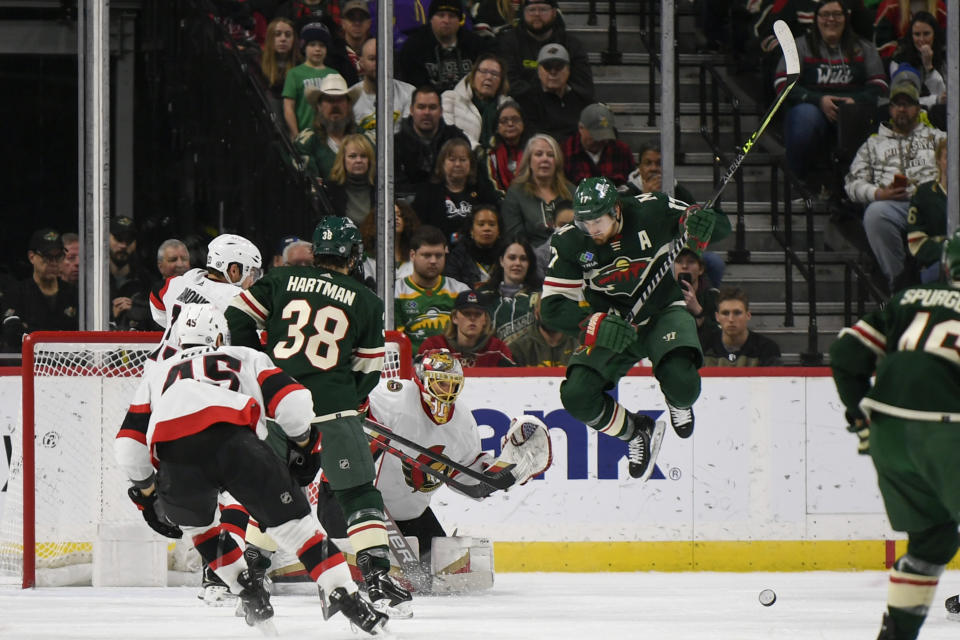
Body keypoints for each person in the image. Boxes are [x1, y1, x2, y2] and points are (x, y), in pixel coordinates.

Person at [114, 304, 388, 635]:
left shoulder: (156, 374)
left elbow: (128, 447)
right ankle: (349, 599)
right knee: (298, 529)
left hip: (176, 458)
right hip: (237, 445)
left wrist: (146, 496)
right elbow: (294, 402)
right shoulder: (243, 355)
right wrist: (304, 443)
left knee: (202, 530)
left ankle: (247, 591)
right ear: (218, 336)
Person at [226, 216, 413, 616]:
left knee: (276, 490)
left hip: (279, 407)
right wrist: (344, 397)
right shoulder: (366, 300)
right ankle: (377, 576)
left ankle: (254, 572)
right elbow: (368, 373)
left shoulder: (280, 280)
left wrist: (257, 366)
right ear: (353, 255)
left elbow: (237, 316)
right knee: (358, 492)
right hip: (335, 410)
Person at [541, 177, 730, 480]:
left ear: (616, 210)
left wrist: (704, 222)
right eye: (585, 222)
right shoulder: (569, 241)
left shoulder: (651, 209)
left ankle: (676, 400)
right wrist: (592, 325)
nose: (592, 229)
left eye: (598, 221)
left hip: (662, 311)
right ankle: (635, 432)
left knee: (684, 385)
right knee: (577, 396)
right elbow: (551, 308)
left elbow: (717, 227)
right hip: (613, 325)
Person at [828, 229, 960, 640]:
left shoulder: (907, 299)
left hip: (888, 433)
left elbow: (845, 353)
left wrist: (859, 416)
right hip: (946, 431)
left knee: (932, 542)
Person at [368, 350, 550, 561]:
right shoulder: (396, 397)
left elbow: (469, 482)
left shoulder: (463, 422)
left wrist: (506, 471)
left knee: (437, 575)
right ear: (423, 380)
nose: (448, 392)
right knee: (368, 570)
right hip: (360, 505)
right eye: (441, 383)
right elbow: (355, 413)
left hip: (409, 514)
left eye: (453, 385)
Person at [844, 68, 945, 292]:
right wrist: (879, 194)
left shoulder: (937, 137)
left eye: (907, 104)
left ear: (918, 108)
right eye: (897, 104)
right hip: (893, 204)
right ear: (889, 109)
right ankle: (899, 286)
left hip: (932, 203)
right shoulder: (873, 144)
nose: (902, 109)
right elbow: (852, 183)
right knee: (875, 213)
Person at [775, 0, 887, 184]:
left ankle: (853, 187)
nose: (831, 20)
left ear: (846, 18)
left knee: (864, 117)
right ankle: (800, 182)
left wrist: (855, 101)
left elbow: (880, 84)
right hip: (812, 107)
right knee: (805, 118)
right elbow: (782, 84)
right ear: (816, 19)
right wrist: (819, 100)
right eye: (825, 15)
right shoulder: (799, 46)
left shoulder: (864, 48)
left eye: (836, 14)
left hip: (853, 109)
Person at [623, 143, 726, 288]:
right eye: (648, 163)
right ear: (639, 168)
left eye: (659, 163)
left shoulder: (680, 193)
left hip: (678, 254)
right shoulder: (627, 195)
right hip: (640, 256)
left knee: (714, 262)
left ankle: (705, 305)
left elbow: (705, 231)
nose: (653, 168)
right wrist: (646, 199)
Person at [394, 225, 471, 353]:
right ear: (412, 255)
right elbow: (396, 343)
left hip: (455, 364)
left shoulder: (461, 291)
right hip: (411, 366)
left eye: (439, 255)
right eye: (427, 255)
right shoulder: (395, 292)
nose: (433, 261)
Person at [496, 0, 593, 99]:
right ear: (523, 13)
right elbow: (508, 84)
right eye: (531, 10)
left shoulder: (572, 45)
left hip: (562, 105)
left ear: (554, 12)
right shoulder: (508, 43)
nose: (537, 14)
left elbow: (583, 86)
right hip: (524, 105)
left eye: (543, 9)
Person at [412, 137, 500, 241]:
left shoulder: (483, 191)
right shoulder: (427, 193)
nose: (457, 164)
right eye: (452, 159)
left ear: (470, 164)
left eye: (463, 160)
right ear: (442, 163)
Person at [500, 133, 574, 251]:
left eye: (550, 155)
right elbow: (514, 237)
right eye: (539, 154)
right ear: (529, 161)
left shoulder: (572, 192)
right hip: (531, 260)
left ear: (557, 161)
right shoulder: (516, 193)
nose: (545, 159)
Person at [397, 0, 490, 93]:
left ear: (459, 20)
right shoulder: (414, 47)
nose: (446, 21)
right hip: (429, 102)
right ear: (431, 19)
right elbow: (412, 86)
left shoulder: (476, 44)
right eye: (441, 15)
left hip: (468, 102)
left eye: (452, 16)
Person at [394, 85, 469, 199]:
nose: (427, 112)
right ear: (411, 110)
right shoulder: (395, 144)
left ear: (441, 111)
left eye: (432, 107)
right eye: (421, 107)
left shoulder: (457, 138)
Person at [4, 229, 78, 344]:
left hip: (69, 360)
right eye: (47, 257)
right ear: (32, 257)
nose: (53, 263)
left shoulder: (74, 293)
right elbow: (12, 334)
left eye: (59, 257)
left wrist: (31, 331)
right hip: (29, 360)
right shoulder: (17, 292)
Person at [515, 43, 592, 144]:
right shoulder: (525, 100)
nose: (553, 72)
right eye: (547, 67)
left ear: (568, 70)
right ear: (538, 71)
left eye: (559, 67)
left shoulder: (583, 100)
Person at [419, 290, 515, 366]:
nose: (472, 318)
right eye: (466, 313)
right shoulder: (433, 346)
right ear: (454, 318)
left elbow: (513, 381)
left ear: (485, 319)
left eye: (478, 314)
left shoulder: (497, 349)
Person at [295, 73, 360, 183]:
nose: (335, 105)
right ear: (319, 106)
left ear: (349, 105)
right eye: (329, 100)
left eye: (339, 100)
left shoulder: (363, 138)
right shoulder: (307, 142)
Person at [441, 52, 512, 150]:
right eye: (483, 71)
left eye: (494, 74)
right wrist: (477, 150)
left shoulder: (508, 106)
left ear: (501, 81)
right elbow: (447, 132)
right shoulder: (450, 98)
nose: (488, 77)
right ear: (473, 74)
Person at [889, 11, 947, 129]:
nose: (921, 39)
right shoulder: (899, 61)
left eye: (926, 34)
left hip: (941, 117)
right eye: (917, 34)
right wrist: (934, 100)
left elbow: (945, 99)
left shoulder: (946, 58)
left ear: (935, 34)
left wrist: (929, 67)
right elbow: (901, 99)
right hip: (909, 116)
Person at [477, 236, 541, 342]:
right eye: (512, 258)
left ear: (529, 264)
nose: (517, 263)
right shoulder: (483, 295)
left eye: (523, 259)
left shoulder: (540, 296)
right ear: (501, 261)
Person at [350, 38, 415, 137]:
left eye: (383, 58)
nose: (378, 64)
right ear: (361, 62)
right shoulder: (350, 98)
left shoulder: (410, 93)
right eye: (372, 59)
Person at [282, 22, 337, 139]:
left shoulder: (333, 74)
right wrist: (296, 134)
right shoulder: (294, 74)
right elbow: (288, 107)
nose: (317, 49)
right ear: (304, 47)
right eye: (312, 44)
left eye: (322, 45)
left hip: (330, 136)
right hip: (304, 134)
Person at [701, 287, 781, 367]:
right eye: (725, 313)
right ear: (717, 317)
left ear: (748, 315)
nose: (731, 319)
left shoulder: (767, 349)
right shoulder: (704, 346)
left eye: (737, 313)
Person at [905, 138, 947, 284]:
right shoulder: (923, 194)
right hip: (935, 265)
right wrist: (950, 251)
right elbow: (916, 242)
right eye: (948, 157)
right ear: (938, 161)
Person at [562, 103, 634, 187]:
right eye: (596, 135)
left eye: (605, 135)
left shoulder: (622, 150)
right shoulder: (565, 151)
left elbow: (631, 184)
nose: (601, 140)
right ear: (581, 128)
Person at [505, 293, 578, 367]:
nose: (553, 315)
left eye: (558, 308)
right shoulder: (518, 349)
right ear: (536, 313)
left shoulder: (579, 347)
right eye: (547, 309)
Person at [477, 100, 530, 197]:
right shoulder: (489, 154)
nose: (510, 124)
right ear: (497, 126)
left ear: (523, 123)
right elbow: (490, 190)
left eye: (515, 119)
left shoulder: (533, 150)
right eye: (504, 121)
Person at [108, 216, 153, 331]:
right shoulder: (94, 280)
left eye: (129, 241)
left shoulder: (146, 280)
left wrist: (136, 311)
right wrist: (110, 316)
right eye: (118, 239)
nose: (123, 246)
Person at [359, 201, 421, 283]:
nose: (396, 218)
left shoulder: (415, 257)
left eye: (400, 215)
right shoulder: (367, 259)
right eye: (391, 215)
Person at [444, 203, 503, 287]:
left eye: (492, 224)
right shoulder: (458, 255)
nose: (487, 228)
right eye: (481, 224)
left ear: (498, 231)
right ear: (471, 230)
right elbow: (452, 286)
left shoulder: (506, 254)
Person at [324, 132, 376, 226]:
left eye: (363, 156)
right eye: (352, 156)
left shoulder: (380, 188)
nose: (358, 160)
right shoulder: (330, 190)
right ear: (343, 159)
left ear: (370, 160)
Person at [873, 0, 947, 61]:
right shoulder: (890, 6)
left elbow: (946, 44)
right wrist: (906, 53)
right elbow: (881, 46)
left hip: (935, 62)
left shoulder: (940, 8)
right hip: (899, 63)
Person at [674, 248, 720, 342]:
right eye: (679, 261)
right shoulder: (663, 297)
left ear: (701, 269)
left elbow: (720, 336)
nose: (684, 266)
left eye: (691, 262)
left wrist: (698, 311)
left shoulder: (712, 296)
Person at [259, 17, 300, 119]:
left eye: (288, 35)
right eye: (277, 34)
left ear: (294, 39)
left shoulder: (301, 65)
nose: (283, 39)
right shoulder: (258, 63)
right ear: (269, 38)